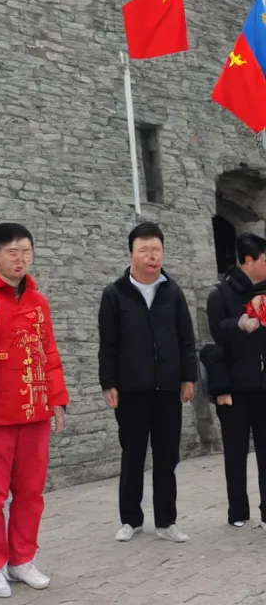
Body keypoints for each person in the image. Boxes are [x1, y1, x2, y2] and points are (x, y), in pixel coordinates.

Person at [0, 223, 68, 598]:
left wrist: (57, 398)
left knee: (31, 491)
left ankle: (22, 559)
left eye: (25, 251)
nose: (20, 259)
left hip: (35, 407)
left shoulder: (39, 301)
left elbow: (49, 352)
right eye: (11, 252)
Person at [98, 221, 197, 543]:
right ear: (131, 254)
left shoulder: (173, 291)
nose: (151, 256)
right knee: (133, 454)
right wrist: (109, 382)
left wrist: (188, 377)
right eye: (144, 250)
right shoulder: (115, 294)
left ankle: (167, 521)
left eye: (157, 249)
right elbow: (108, 343)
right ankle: (131, 519)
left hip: (168, 387)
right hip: (131, 389)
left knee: (167, 455)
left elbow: (186, 338)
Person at [203, 232, 266, 528]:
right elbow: (215, 339)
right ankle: (238, 512)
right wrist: (240, 323)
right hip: (234, 390)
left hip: (263, 385)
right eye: (265, 260)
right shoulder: (220, 296)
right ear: (248, 260)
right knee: (236, 453)